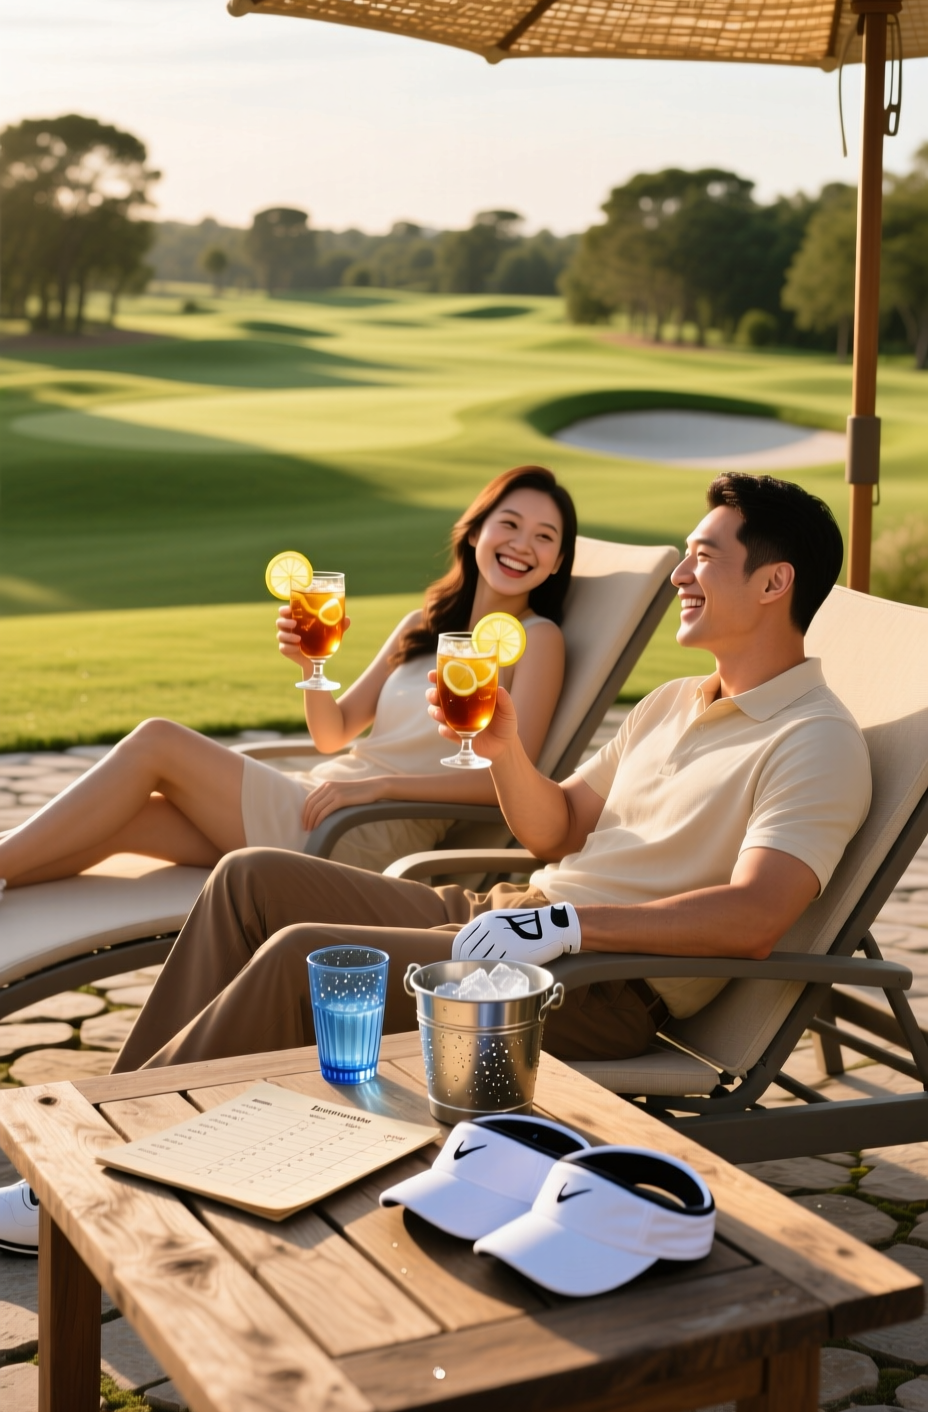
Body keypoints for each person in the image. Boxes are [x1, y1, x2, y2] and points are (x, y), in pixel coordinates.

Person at [0, 472, 874, 1254]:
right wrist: (504, 752)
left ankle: (87, 1180)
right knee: (248, 878)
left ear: (773, 583)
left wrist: (567, 926)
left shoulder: (815, 740)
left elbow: (756, 917)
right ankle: (118, 1118)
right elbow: (559, 826)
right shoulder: (675, 702)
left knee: (308, 959)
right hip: (511, 920)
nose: (681, 573)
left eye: (703, 557)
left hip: (597, 984)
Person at [0, 466, 576, 890]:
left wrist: (378, 787)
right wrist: (311, 668)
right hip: (321, 799)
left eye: (544, 537)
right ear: (475, 533)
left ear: (555, 563)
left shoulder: (539, 639)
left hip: (366, 833)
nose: (522, 545)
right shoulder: (422, 625)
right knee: (131, 822)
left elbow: (505, 782)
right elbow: (333, 733)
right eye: (510, 524)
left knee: (157, 740)